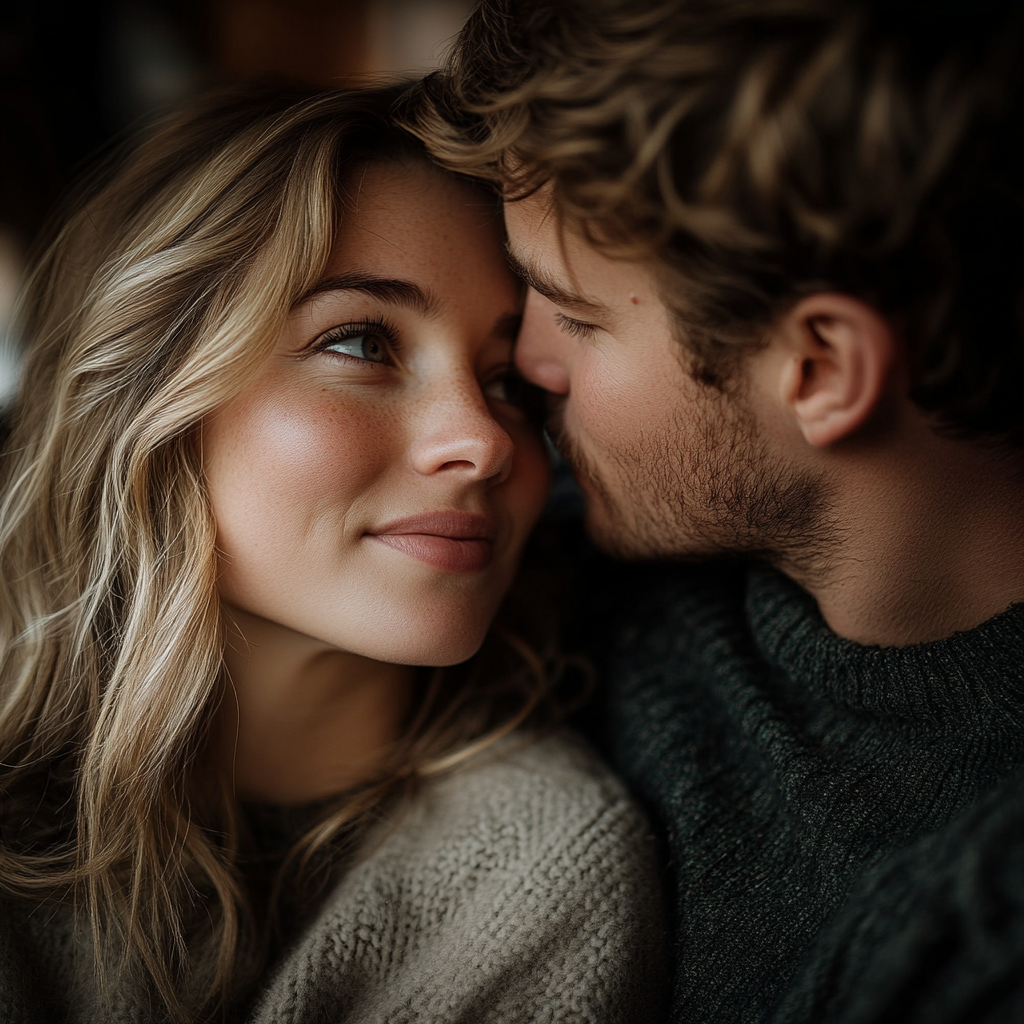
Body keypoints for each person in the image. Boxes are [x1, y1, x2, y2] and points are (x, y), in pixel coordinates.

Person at [406, 0, 1024, 1021]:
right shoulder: (543, 536)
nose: (524, 365)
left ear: (818, 369)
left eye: (573, 313)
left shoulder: (979, 921)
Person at [0, 86, 667, 1024]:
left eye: (510, 380)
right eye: (362, 341)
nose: (486, 440)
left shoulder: (537, 867)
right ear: (146, 397)